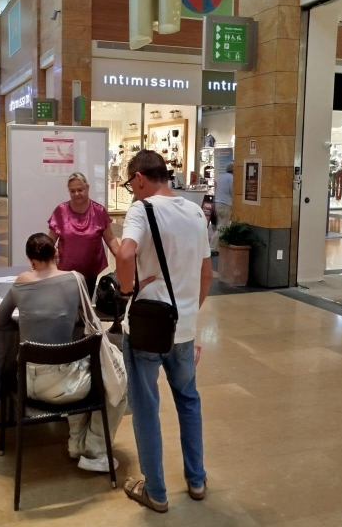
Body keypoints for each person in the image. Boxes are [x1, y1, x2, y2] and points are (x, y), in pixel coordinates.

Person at [116, 150, 213, 513]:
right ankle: (197, 480)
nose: (132, 191)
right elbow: (207, 275)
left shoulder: (142, 210)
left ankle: (155, 491)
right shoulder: (194, 211)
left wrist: (129, 290)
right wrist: (188, 312)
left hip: (145, 328)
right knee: (188, 400)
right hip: (183, 329)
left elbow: (125, 256)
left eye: (130, 184)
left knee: (145, 407)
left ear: (140, 178)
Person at [0, 233, 127, 472]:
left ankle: (78, 444)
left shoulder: (20, 283)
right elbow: (84, 318)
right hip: (67, 385)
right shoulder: (74, 279)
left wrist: (24, 326)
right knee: (114, 384)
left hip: (26, 383)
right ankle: (93, 450)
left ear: (31, 261)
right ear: (56, 253)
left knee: (81, 372)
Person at [48, 172, 120, 298]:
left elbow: (110, 239)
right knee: (66, 306)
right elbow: (49, 241)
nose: (76, 194)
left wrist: (122, 258)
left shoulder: (99, 211)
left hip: (90, 271)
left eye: (80, 190)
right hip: (65, 272)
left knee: (85, 308)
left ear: (87, 188)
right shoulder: (61, 211)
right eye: (72, 191)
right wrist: (42, 264)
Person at [210, 161, 234, 255]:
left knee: (223, 225)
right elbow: (232, 191)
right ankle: (212, 248)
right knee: (222, 227)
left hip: (218, 203)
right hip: (226, 204)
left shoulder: (220, 177)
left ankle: (220, 247)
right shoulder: (231, 178)